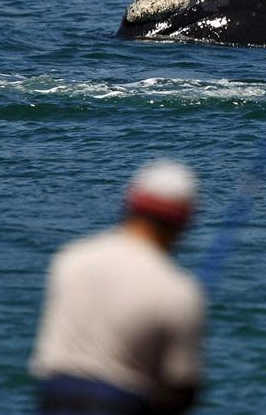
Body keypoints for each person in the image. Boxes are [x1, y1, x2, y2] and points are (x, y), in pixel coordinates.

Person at [30, 159, 206, 414]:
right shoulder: (178, 291)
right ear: (183, 223)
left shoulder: (70, 259)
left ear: (130, 205)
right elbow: (182, 390)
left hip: (54, 399)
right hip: (119, 403)